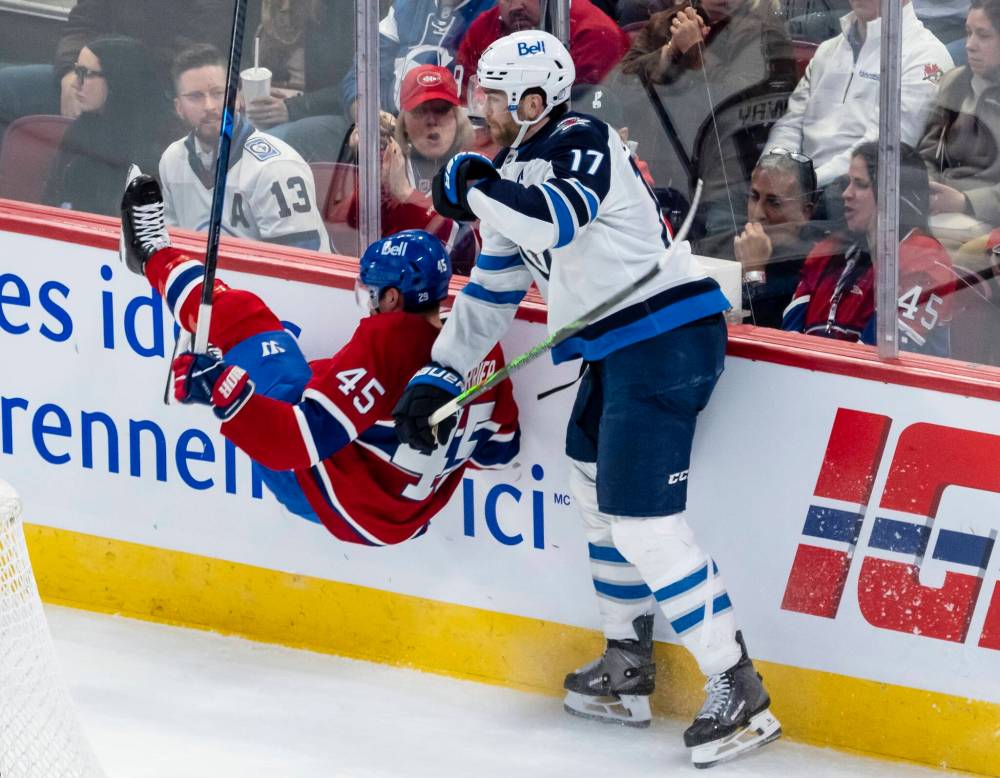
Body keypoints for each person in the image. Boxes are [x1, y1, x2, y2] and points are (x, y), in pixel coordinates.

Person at [391, 31, 780, 768]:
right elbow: (494, 286)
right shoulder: (511, 168)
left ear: (534, 99)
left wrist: (474, 184)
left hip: (663, 342)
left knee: (644, 524)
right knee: (596, 497)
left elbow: (555, 218)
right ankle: (627, 666)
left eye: (496, 97)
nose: (484, 109)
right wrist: (443, 371)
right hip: (614, 351)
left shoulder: (582, 137)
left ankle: (738, 684)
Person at [119, 168, 520, 546]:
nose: (369, 304)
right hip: (409, 519)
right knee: (322, 378)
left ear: (393, 297)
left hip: (333, 501)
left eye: (373, 292)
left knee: (246, 321)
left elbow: (288, 446)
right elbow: (501, 450)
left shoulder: (388, 342)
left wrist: (223, 393)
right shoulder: (481, 343)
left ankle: (150, 255)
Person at [764, 0, 953, 217]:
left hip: (853, 198)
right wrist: (770, 172)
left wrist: (802, 184)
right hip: (797, 187)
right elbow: (790, 123)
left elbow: (884, 148)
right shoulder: (828, 50)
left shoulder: (925, 57)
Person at [782, 142, 955, 356]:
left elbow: (883, 358)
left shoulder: (926, 258)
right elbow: (788, 340)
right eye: (848, 183)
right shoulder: (831, 251)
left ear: (892, 196)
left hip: (883, 388)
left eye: (860, 184)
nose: (846, 193)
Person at [158, 45, 331, 253]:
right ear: (179, 107)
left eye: (218, 93)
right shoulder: (172, 160)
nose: (210, 106)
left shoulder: (275, 167)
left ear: (237, 98)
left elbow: (297, 266)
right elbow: (173, 247)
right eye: (195, 97)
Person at [0, 1, 228, 148]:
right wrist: (71, 71)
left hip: (164, 89)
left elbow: (200, 53)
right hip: (97, 73)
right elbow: (82, 25)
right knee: (6, 89)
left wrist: (119, 78)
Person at [342, 65, 480, 274]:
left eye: (441, 109)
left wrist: (407, 197)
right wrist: (367, 164)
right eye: (420, 110)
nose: (432, 120)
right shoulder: (393, 161)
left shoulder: (476, 169)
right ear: (404, 123)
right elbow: (351, 225)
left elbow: (471, 252)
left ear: (458, 119)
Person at [42, 36, 178, 216]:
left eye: (86, 73)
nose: (75, 83)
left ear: (118, 78)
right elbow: (51, 201)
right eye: (76, 71)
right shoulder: (80, 132)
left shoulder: (163, 148)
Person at [695, 149, 823, 327]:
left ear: (805, 211)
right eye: (754, 197)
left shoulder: (817, 268)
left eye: (774, 203)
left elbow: (760, 337)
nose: (758, 213)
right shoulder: (724, 247)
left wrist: (753, 271)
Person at [918, 0, 1000, 249]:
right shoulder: (954, 83)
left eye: (983, 36)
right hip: (938, 203)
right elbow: (927, 151)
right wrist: (926, 187)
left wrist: (965, 201)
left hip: (985, 218)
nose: (969, 45)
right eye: (968, 33)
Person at [341, 0, 497, 115]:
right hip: (390, 128)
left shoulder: (497, 12)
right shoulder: (406, 6)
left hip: (450, 138)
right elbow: (360, 77)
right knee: (318, 128)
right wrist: (371, 118)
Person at [242, 0, 351, 162]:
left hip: (315, 113)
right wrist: (235, 90)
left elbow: (351, 87)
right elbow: (233, 54)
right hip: (259, 109)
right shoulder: (251, 7)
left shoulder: (338, 10)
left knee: (254, 147)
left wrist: (292, 108)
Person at [455, 0, 631, 88]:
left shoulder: (597, 36)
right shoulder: (484, 28)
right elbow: (466, 97)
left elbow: (580, 109)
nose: (516, 6)